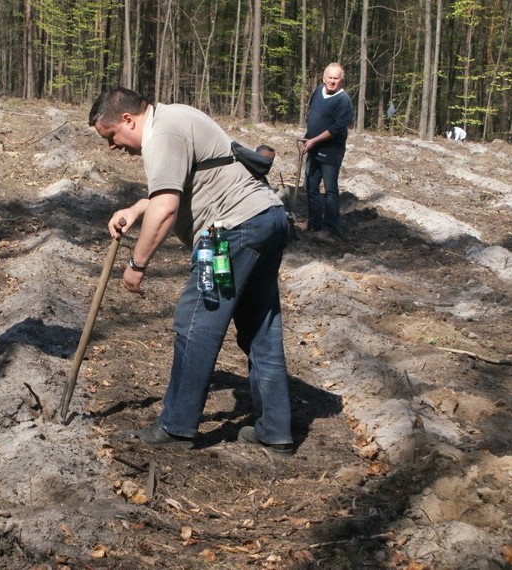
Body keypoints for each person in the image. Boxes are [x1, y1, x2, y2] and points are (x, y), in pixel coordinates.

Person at [89, 87, 294, 455]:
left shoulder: (162, 135)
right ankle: (275, 431)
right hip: (267, 218)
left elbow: (166, 208)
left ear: (127, 120)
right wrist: (137, 209)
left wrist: (137, 264)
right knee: (260, 328)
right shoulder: (174, 117)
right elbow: (183, 184)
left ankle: (176, 426)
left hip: (231, 230)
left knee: (195, 321)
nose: (113, 147)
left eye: (111, 137)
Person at [302, 63, 354, 237]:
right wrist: (308, 137)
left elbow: (335, 129)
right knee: (311, 187)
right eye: (329, 78)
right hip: (312, 148)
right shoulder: (318, 91)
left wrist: (314, 140)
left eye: (336, 78)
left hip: (331, 151)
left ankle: (331, 227)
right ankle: (314, 223)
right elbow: (312, 114)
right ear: (324, 78)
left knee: (330, 189)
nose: (332, 81)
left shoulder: (343, 101)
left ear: (341, 80)